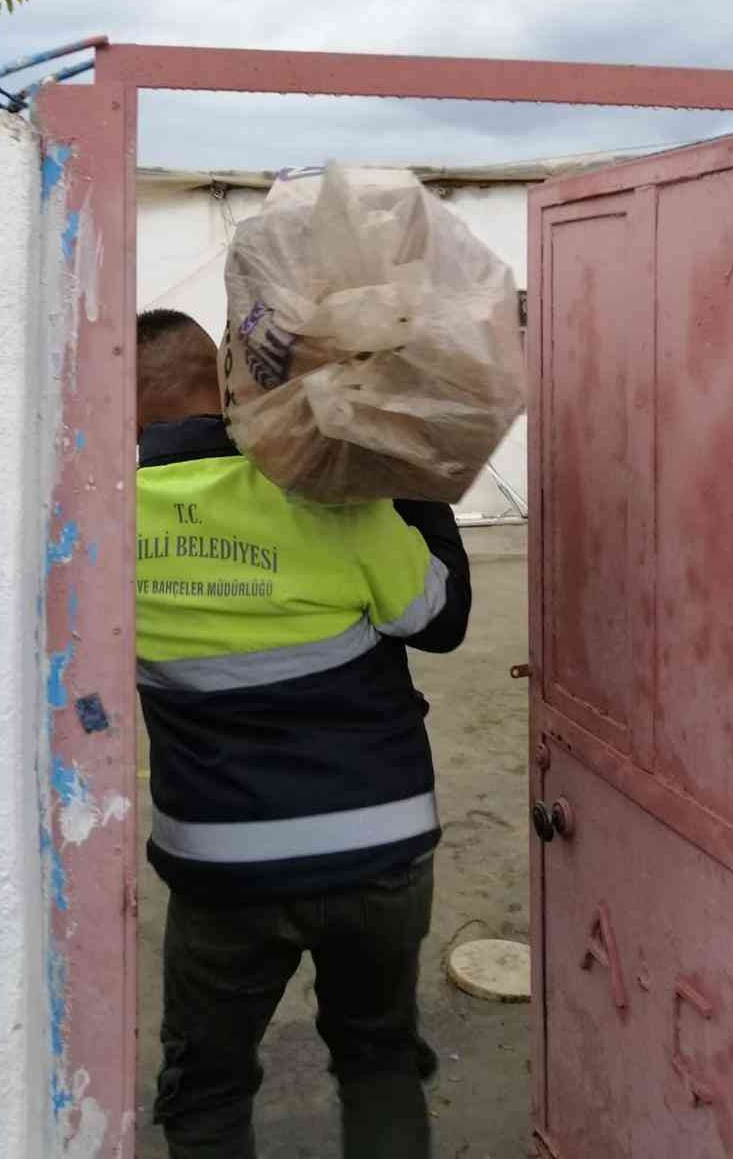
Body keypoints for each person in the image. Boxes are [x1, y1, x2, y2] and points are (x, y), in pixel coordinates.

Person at [135, 308, 472, 1159]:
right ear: (224, 382)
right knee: (378, 1058)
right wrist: (409, 473)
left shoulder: (95, 525)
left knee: (206, 1085)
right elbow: (439, 619)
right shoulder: (329, 493)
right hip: (380, 844)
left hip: (220, 860)